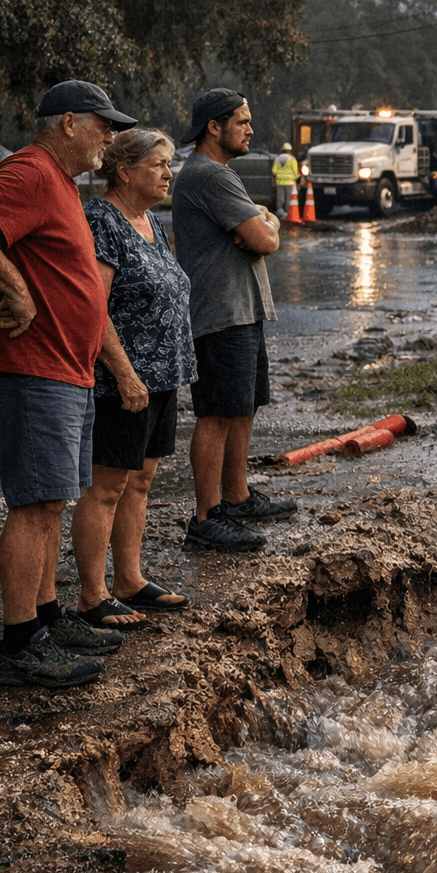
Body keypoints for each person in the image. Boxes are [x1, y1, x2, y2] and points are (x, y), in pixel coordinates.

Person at [0, 79, 136, 688]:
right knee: (33, 506)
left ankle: (47, 619)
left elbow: (76, 287)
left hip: (64, 371)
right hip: (30, 370)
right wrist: (15, 288)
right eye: (103, 124)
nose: (110, 136)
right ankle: (19, 644)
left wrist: (114, 367)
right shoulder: (31, 171)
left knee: (52, 501)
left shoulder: (64, 186)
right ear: (68, 123)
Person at [71, 128, 195, 629]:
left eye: (170, 165)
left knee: (140, 482)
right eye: (159, 164)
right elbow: (93, 307)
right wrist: (123, 372)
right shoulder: (102, 220)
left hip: (163, 376)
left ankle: (130, 580)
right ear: (125, 171)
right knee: (107, 486)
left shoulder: (150, 221)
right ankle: (92, 595)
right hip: (122, 380)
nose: (168, 174)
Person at [173, 88, 295, 552]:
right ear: (214, 127)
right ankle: (207, 517)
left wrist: (265, 224)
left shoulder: (219, 174)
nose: (250, 129)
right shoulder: (209, 176)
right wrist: (267, 226)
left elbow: (261, 229)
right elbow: (264, 239)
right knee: (217, 413)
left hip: (241, 311)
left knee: (243, 405)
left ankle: (237, 496)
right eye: (242, 122)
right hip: (219, 315)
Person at [271, 142, 298, 216]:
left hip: (279, 181)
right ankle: (288, 212)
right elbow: (295, 172)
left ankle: (280, 211)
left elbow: (274, 171)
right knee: (289, 198)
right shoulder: (292, 159)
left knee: (280, 197)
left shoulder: (277, 158)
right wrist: (296, 178)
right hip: (290, 182)